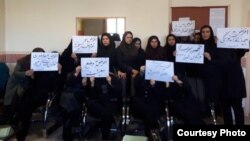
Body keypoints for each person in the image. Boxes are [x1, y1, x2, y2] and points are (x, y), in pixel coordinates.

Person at [61, 33, 122, 140]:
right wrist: (87, 82)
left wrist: (109, 80)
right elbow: (74, 81)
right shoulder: (83, 65)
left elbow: (115, 91)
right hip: (88, 96)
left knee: (107, 111)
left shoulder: (105, 69)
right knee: (105, 113)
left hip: (102, 96)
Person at [9, 47, 61, 141]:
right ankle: (17, 126)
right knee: (22, 103)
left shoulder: (51, 68)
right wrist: (30, 76)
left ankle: (20, 130)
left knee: (26, 106)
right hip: (31, 92)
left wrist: (58, 71)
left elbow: (55, 85)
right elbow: (27, 81)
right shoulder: (33, 68)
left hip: (43, 94)